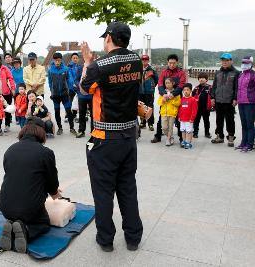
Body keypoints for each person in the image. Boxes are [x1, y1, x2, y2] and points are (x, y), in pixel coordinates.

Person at [80, 21, 143, 252]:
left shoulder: (99, 66)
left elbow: (85, 89)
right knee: (127, 186)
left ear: (109, 38)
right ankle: (133, 237)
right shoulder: (137, 60)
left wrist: (87, 62)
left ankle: (106, 239)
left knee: (103, 190)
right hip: (128, 136)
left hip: (104, 137)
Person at [0, 117, 61, 253]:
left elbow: (15, 175)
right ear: (41, 132)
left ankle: (11, 225)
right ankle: (26, 231)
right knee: (43, 222)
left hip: (5, 207)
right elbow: (52, 182)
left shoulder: (10, 149)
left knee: (20, 211)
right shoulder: (46, 153)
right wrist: (56, 193)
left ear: (24, 130)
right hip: (30, 208)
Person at [151, 54, 187, 143]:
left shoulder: (181, 73)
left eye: (173, 63)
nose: (171, 65)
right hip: (165, 98)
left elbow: (181, 85)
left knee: (178, 119)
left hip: (176, 97)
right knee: (161, 118)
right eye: (170, 63)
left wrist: (173, 94)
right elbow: (160, 84)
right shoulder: (164, 72)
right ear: (168, 62)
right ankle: (158, 136)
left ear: (177, 62)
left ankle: (181, 138)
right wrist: (163, 94)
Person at [210, 53, 240, 147]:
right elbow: (214, 86)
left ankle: (231, 137)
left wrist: (235, 98)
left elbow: (237, 88)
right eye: (223, 60)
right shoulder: (218, 73)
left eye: (227, 60)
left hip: (229, 101)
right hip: (218, 100)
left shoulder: (236, 73)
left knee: (230, 120)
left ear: (231, 61)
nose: (224, 62)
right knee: (219, 119)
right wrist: (212, 97)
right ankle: (220, 136)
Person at [236, 56, 255, 152]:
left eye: (246, 63)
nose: (244, 64)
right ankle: (243, 142)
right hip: (241, 102)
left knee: (249, 124)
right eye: (243, 62)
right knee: (243, 124)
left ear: (251, 63)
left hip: (250, 103)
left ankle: (249, 144)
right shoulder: (241, 75)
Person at [48, 52, 76, 135]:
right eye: (56, 60)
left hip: (65, 94)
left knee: (68, 111)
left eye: (59, 60)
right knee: (57, 112)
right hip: (55, 95)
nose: (57, 62)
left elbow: (69, 80)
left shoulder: (66, 69)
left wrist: (73, 87)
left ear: (61, 60)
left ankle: (72, 128)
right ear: (54, 60)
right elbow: (50, 82)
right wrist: (51, 91)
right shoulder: (50, 70)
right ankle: (60, 128)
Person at [72, 55, 93, 138]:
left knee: (93, 115)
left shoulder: (94, 67)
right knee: (81, 114)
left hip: (92, 95)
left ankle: (93, 132)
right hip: (82, 96)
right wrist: (79, 86)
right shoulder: (80, 68)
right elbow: (76, 80)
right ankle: (81, 131)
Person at [157, 78, 181, 146]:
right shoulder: (163, 92)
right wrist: (163, 100)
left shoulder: (175, 92)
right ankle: (171, 137)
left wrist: (172, 100)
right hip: (164, 113)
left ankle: (168, 139)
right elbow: (159, 102)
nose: (167, 84)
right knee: (164, 127)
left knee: (170, 127)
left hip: (172, 113)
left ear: (173, 83)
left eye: (168, 83)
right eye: (166, 83)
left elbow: (178, 103)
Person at [138, 54, 158, 131]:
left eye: (146, 60)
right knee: (141, 107)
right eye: (143, 60)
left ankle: (150, 123)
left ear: (148, 60)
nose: (144, 61)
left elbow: (156, 79)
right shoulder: (138, 69)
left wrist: (152, 86)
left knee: (149, 107)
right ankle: (142, 122)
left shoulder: (151, 69)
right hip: (140, 91)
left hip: (149, 92)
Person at [192, 72, 213, 138]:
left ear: (206, 79)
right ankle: (195, 133)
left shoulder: (210, 88)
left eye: (203, 78)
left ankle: (207, 133)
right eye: (200, 78)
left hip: (206, 108)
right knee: (196, 121)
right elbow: (192, 97)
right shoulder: (196, 88)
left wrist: (213, 106)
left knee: (206, 121)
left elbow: (213, 97)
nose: (201, 79)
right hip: (197, 108)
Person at [178, 83, 198, 149]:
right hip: (182, 119)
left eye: (187, 90)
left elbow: (194, 110)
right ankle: (184, 141)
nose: (186, 91)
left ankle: (188, 142)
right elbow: (180, 109)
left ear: (190, 91)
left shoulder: (193, 99)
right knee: (183, 131)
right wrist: (179, 117)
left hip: (189, 120)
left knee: (188, 131)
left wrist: (192, 118)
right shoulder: (182, 99)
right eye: (184, 90)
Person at [67, 53, 81, 121]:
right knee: (70, 101)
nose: (75, 59)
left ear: (78, 59)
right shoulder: (69, 67)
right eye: (74, 58)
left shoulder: (80, 66)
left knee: (78, 101)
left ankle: (78, 115)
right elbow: (70, 77)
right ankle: (69, 115)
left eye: (76, 58)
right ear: (71, 59)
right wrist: (74, 83)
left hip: (79, 87)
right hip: (71, 87)